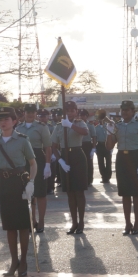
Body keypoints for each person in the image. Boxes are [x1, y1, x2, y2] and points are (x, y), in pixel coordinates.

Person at [0, 108, 37, 277]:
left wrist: (31, 183)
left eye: (6, 119)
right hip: (4, 184)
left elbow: (33, 163)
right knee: (10, 227)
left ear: (14, 121)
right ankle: (14, 261)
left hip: (20, 183)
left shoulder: (23, 140)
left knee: (23, 226)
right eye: (0, 120)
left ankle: (24, 260)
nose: (2, 122)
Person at [108, 99, 138, 234]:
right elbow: (109, 146)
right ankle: (127, 224)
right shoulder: (117, 126)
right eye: (123, 110)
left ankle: (137, 223)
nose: (124, 112)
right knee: (125, 193)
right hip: (122, 159)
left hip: (135, 158)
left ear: (133, 112)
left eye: (127, 110)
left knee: (137, 193)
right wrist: (109, 133)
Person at [52, 100, 89, 234]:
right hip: (65, 158)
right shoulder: (59, 126)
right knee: (70, 193)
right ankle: (73, 222)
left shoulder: (79, 123)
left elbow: (85, 132)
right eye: (68, 111)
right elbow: (54, 146)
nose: (70, 113)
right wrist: (60, 160)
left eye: (72, 110)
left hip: (78, 157)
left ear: (76, 111)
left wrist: (71, 126)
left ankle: (81, 222)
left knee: (79, 192)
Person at [22, 105, 52, 233]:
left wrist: (47, 165)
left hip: (37, 158)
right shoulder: (18, 128)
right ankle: (31, 220)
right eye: (28, 112)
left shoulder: (42, 127)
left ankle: (41, 220)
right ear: (24, 113)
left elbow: (48, 147)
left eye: (32, 112)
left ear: (35, 113)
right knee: (28, 193)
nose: (30, 114)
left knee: (40, 193)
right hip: (23, 160)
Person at [94, 110, 113, 184]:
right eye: (99, 118)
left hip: (107, 145)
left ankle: (108, 177)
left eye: (101, 118)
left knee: (108, 162)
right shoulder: (96, 128)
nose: (100, 120)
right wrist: (94, 148)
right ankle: (103, 177)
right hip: (100, 145)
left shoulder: (108, 126)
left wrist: (111, 147)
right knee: (100, 162)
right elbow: (95, 138)